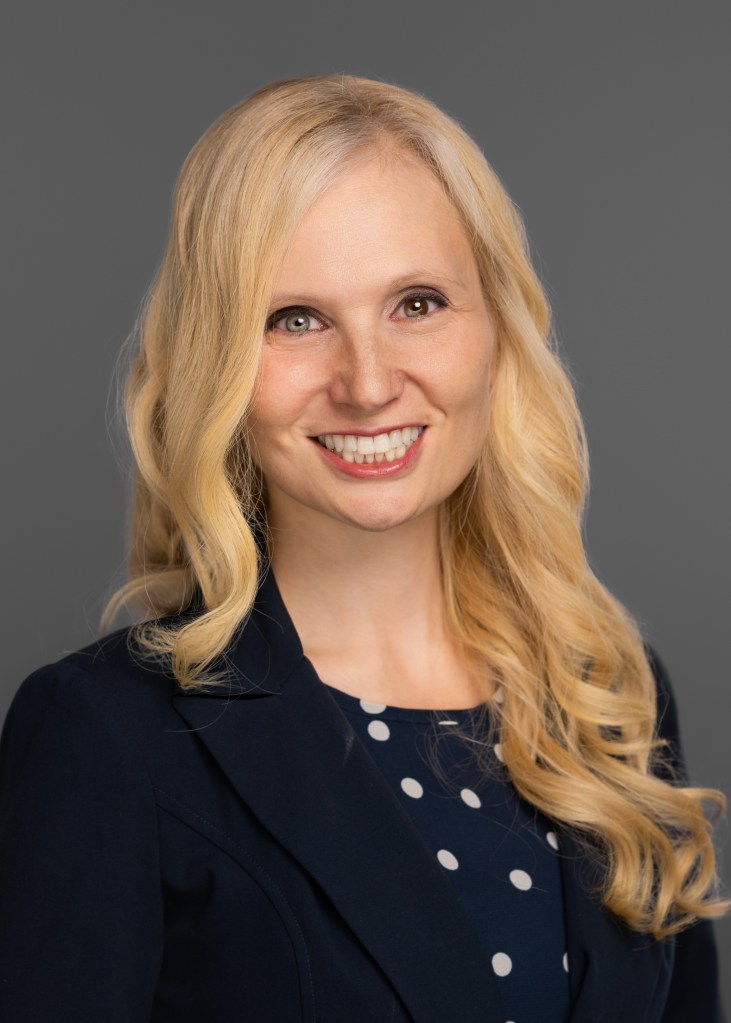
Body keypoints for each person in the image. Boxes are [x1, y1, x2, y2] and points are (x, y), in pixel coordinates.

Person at [0, 73, 726, 1023]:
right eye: (294, 319)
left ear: (496, 330)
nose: (368, 382)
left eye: (416, 303)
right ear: (216, 360)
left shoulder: (610, 698)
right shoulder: (105, 735)